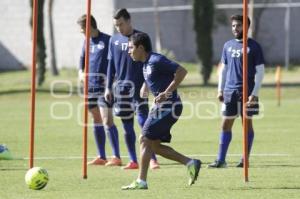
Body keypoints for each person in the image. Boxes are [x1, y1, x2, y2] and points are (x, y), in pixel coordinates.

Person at [121, 32, 201, 190]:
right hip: (162, 107)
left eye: (131, 48)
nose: (129, 51)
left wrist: (166, 93)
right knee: (154, 146)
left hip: (169, 106)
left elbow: (182, 71)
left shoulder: (157, 59)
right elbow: (153, 77)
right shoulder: (145, 63)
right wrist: (146, 86)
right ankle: (190, 163)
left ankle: (141, 181)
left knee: (144, 139)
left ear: (141, 48)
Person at [208, 14, 265, 168]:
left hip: (247, 93)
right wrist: (220, 89)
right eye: (233, 25)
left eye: (238, 25)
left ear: (246, 27)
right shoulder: (227, 45)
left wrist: (255, 94)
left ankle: (244, 159)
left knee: (246, 125)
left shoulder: (254, 47)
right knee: (225, 125)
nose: (235, 28)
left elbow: (260, 72)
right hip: (229, 91)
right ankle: (221, 160)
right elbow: (224, 69)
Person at [105, 8, 159, 169]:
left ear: (129, 21)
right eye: (116, 25)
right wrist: (108, 87)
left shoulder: (141, 38)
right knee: (127, 127)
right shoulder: (113, 40)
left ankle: (152, 159)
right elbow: (110, 65)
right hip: (121, 90)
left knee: (144, 123)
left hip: (139, 88)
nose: (119, 28)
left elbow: (150, 63)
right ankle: (134, 161)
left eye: (121, 24)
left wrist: (146, 83)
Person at [77, 14, 121, 166]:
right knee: (95, 120)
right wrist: (80, 73)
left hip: (105, 88)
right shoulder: (86, 42)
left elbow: (115, 62)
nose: (81, 32)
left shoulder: (108, 40)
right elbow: (81, 62)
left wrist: (113, 79)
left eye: (82, 29)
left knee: (107, 120)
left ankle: (116, 156)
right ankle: (101, 156)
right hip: (89, 87)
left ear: (89, 26)